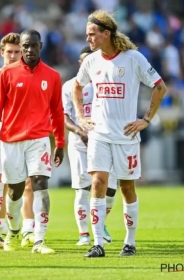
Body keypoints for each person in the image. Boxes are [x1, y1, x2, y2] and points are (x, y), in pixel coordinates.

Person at [73, 10, 167, 258]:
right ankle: (97, 243)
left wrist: (146, 119)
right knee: (97, 183)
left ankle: (130, 242)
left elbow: (160, 87)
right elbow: (77, 86)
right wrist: (82, 116)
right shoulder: (92, 61)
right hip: (99, 135)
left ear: (106, 33)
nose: (88, 39)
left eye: (92, 34)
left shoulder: (133, 58)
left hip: (126, 136)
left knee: (126, 187)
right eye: (87, 35)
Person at [0, 29, 65, 254]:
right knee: (15, 192)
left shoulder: (53, 76)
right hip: (11, 140)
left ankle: (39, 240)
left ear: (41, 46)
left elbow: (57, 112)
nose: (28, 50)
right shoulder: (6, 74)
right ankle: (14, 231)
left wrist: (60, 143)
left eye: (32, 46)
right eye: (25, 46)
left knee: (39, 184)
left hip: (39, 139)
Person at [62, 46, 117, 246]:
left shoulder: (105, 83)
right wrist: (79, 132)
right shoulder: (69, 86)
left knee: (110, 189)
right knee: (83, 189)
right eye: (84, 61)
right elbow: (64, 116)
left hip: (105, 140)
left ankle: (100, 223)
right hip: (79, 143)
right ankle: (84, 234)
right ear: (80, 63)